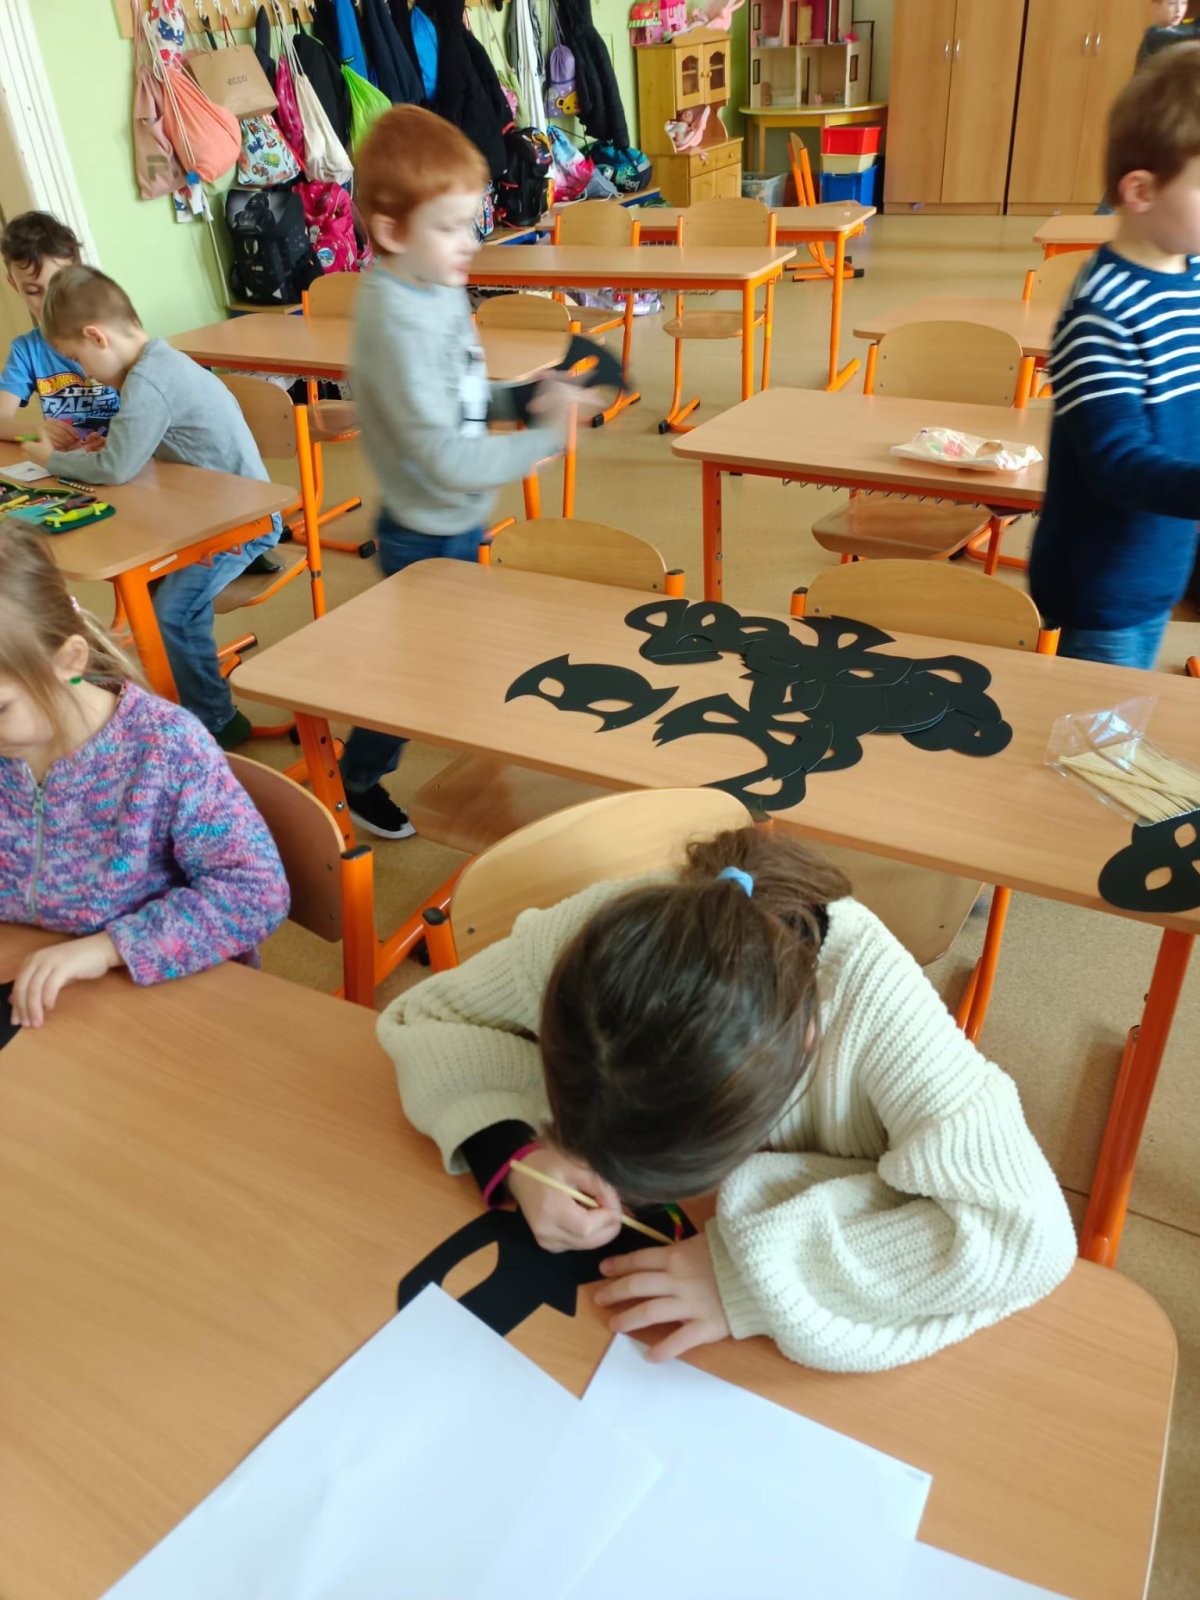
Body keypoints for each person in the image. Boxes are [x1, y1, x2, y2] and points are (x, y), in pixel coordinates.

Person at [379, 826, 1077, 1373]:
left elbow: (1025, 1234)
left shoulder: (874, 1000)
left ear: (806, 1041)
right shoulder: (594, 940)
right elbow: (432, 1015)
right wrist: (521, 1153)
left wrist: (745, 1276)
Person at [335, 105, 587, 841]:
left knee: (453, 650)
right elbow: (442, 454)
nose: (471, 242)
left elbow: (460, 393)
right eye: (450, 227)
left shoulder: (433, 283)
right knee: (417, 669)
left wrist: (522, 398)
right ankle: (358, 777)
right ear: (390, 232)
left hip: (455, 513)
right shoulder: (394, 323)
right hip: (422, 528)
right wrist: (538, 441)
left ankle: (459, 724)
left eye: (470, 221)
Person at [0, 528, 290, 1029]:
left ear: (69, 662)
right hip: (33, 986)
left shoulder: (164, 748)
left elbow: (255, 893)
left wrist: (108, 949)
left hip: (152, 995)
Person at [23, 265, 283, 747]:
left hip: (245, 521)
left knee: (172, 612)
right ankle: (180, 685)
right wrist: (113, 443)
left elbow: (116, 469)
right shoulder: (155, 363)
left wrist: (50, 459)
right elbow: (143, 444)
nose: (83, 372)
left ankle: (217, 720)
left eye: (77, 359)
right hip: (207, 512)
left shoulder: (149, 381)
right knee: (154, 586)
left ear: (96, 337)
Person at [1030, 44, 1200, 670]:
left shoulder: (1190, 273)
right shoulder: (1101, 313)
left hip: (1160, 562)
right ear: (1141, 190)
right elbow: (1117, 464)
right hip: (1101, 589)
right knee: (1097, 728)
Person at [0, 211, 119, 450]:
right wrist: (36, 433)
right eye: (33, 291)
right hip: (69, 464)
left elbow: (151, 413)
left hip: (124, 456)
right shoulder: (26, 350)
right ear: (14, 286)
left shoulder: (115, 334)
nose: (49, 302)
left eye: (59, 284)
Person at [1136, 0, 1193, 67]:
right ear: (1156, 6)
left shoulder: (1187, 35)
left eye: (1183, 3)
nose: (1178, 10)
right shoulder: (1152, 39)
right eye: (1172, 3)